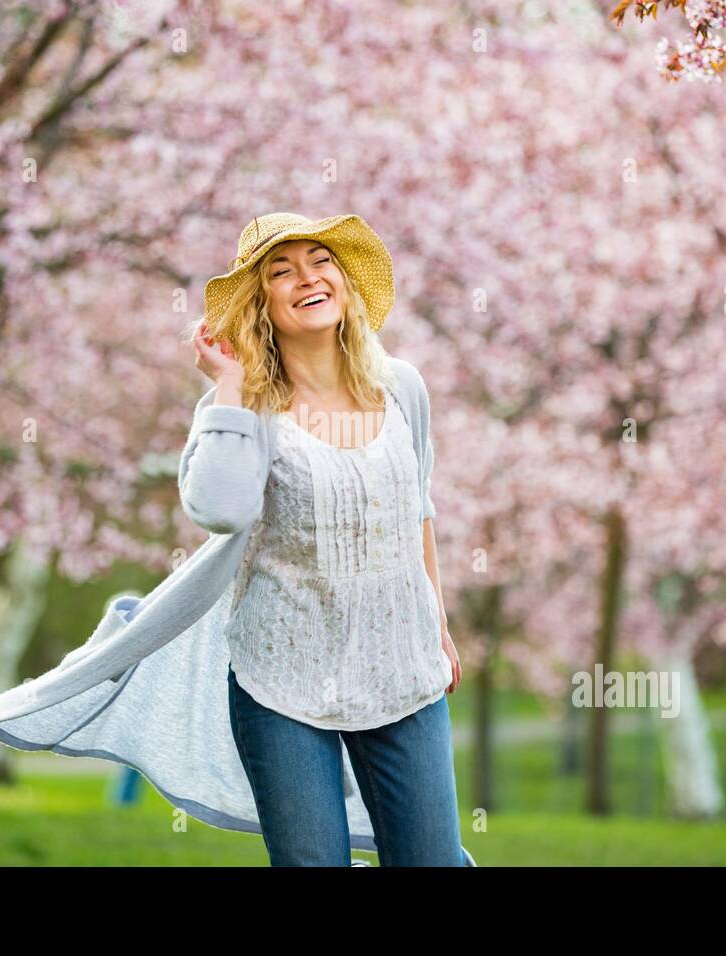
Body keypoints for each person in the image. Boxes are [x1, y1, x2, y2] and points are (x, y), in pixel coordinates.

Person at [186, 212, 466, 866]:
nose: (307, 279)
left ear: (343, 280)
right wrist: (228, 386)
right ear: (262, 304)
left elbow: (416, 506)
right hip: (282, 677)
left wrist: (439, 626)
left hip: (401, 665)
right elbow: (221, 510)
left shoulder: (402, 387)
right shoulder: (243, 410)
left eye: (321, 261)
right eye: (281, 272)